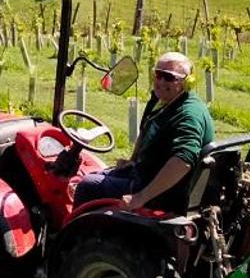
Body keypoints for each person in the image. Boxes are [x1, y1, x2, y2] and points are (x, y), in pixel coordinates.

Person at [73, 50, 214, 210]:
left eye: (169, 77)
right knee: (94, 175)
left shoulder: (189, 114)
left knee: (87, 186)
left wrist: (140, 197)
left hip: (160, 193)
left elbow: (183, 161)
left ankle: (74, 227)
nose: (160, 81)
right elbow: (146, 128)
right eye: (158, 74)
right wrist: (133, 160)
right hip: (144, 174)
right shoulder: (160, 100)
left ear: (187, 82)